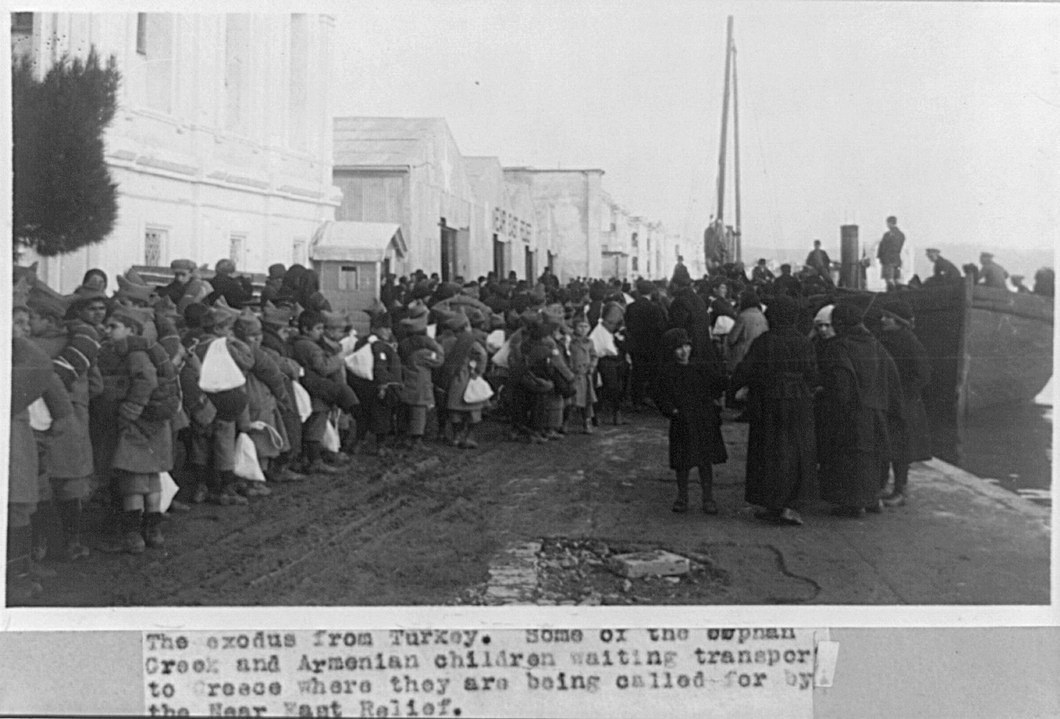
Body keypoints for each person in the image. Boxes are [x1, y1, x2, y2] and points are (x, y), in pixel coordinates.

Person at [731, 295, 817, 526]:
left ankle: (773, 503)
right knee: (796, 450)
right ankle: (791, 504)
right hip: (798, 401)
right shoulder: (804, 341)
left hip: (769, 401)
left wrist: (732, 390)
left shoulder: (764, 341)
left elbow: (746, 369)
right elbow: (812, 374)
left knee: (770, 451)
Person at [816, 303, 903, 518]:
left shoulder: (839, 346)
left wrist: (824, 395)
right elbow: (892, 376)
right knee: (872, 457)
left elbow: (841, 382)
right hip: (876, 411)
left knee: (848, 457)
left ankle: (853, 504)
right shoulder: (875, 343)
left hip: (850, 412)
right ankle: (872, 498)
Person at [652, 328, 728, 514]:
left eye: (686, 346)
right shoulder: (667, 372)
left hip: (704, 418)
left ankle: (708, 497)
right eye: (678, 348)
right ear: (670, 351)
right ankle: (682, 496)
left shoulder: (701, 367)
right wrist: (672, 411)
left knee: (705, 460)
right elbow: (660, 395)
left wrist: (720, 391)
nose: (684, 351)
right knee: (682, 461)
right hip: (682, 420)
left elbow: (718, 384)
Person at [875, 300, 932, 506]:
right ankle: (884, 485)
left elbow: (923, 374)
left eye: (888, 317)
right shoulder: (886, 339)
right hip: (888, 399)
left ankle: (900, 490)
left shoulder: (909, 343)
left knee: (901, 448)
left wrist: (903, 394)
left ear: (899, 322)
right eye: (883, 316)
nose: (883, 320)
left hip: (904, 403)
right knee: (886, 442)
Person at [623, 279, 668, 409]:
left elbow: (628, 324)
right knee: (652, 372)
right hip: (652, 344)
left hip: (636, 343)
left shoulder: (631, 307)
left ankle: (636, 400)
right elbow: (661, 327)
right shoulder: (655, 308)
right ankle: (649, 397)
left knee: (637, 372)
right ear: (652, 291)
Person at [566, 312, 598, 433]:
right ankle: (565, 421)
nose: (583, 329)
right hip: (574, 373)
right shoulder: (570, 341)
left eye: (586, 326)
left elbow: (594, 355)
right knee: (571, 400)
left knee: (587, 400)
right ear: (574, 327)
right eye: (580, 326)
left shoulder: (589, 342)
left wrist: (592, 366)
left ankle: (587, 422)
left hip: (585, 375)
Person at [878, 216, 905, 291]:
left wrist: (881, 257)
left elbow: (885, 247)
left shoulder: (890, 235)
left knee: (889, 280)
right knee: (895, 280)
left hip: (889, 260)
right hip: (895, 260)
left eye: (887, 223)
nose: (887, 225)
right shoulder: (900, 234)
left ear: (890, 223)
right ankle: (897, 295)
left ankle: (891, 295)